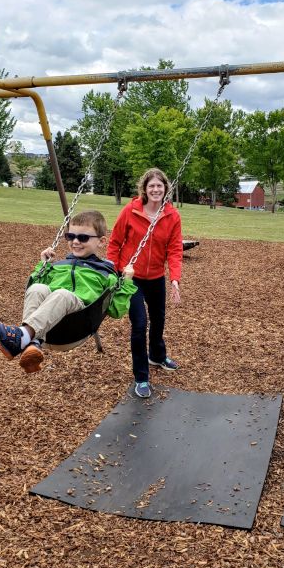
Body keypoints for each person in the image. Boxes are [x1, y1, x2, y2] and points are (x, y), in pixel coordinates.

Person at [0, 210, 136, 373]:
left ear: (101, 241)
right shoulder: (59, 266)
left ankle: (22, 336)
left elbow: (116, 311)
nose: (75, 241)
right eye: (70, 236)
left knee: (62, 294)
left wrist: (127, 282)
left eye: (83, 237)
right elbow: (35, 294)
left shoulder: (106, 273)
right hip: (48, 331)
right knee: (37, 288)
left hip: (77, 327)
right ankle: (32, 344)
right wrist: (43, 265)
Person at [107, 168, 183, 399]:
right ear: (145, 188)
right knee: (140, 324)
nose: (156, 189)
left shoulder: (172, 216)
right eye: (152, 186)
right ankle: (141, 376)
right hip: (133, 277)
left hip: (156, 276)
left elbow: (175, 250)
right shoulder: (130, 211)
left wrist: (175, 279)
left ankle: (157, 356)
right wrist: (114, 271)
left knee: (159, 319)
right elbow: (115, 243)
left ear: (165, 188)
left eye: (159, 186)